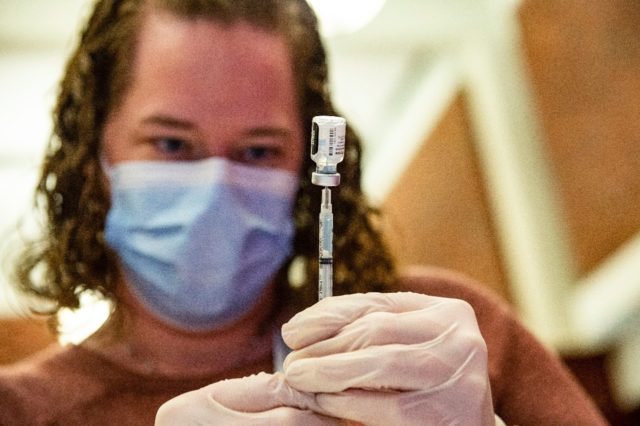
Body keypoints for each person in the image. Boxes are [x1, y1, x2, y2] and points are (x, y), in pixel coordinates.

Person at [0, 0, 607, 425]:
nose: (216, 188)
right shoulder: (22, 411)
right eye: (171, 144)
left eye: (258, 150)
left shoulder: (446, 344)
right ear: (93, 155)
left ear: (306, 167)